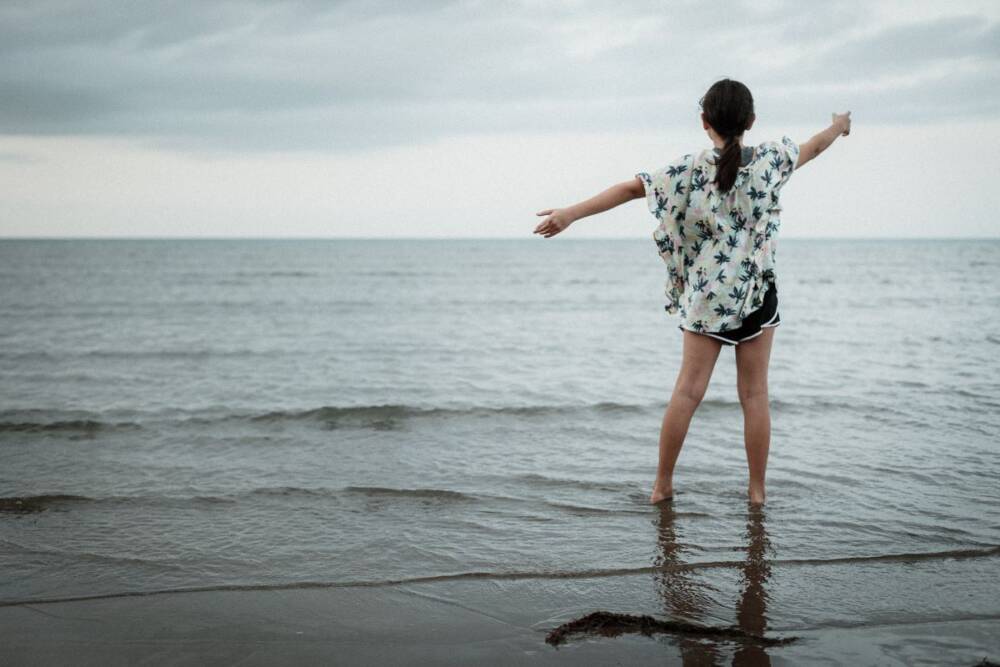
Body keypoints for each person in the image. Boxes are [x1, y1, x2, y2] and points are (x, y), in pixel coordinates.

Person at [531, 77, 851, 506]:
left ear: (705, 122)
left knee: (687, 392)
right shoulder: (774, 159)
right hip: (756, 294)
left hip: (706, 298)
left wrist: (571, 213)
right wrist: (839, 125)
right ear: (752, 121)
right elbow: (815, 145)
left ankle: (662, 486)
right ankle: (757, 493)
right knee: (755, 395)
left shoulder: (687, 170)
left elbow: (631, 189)